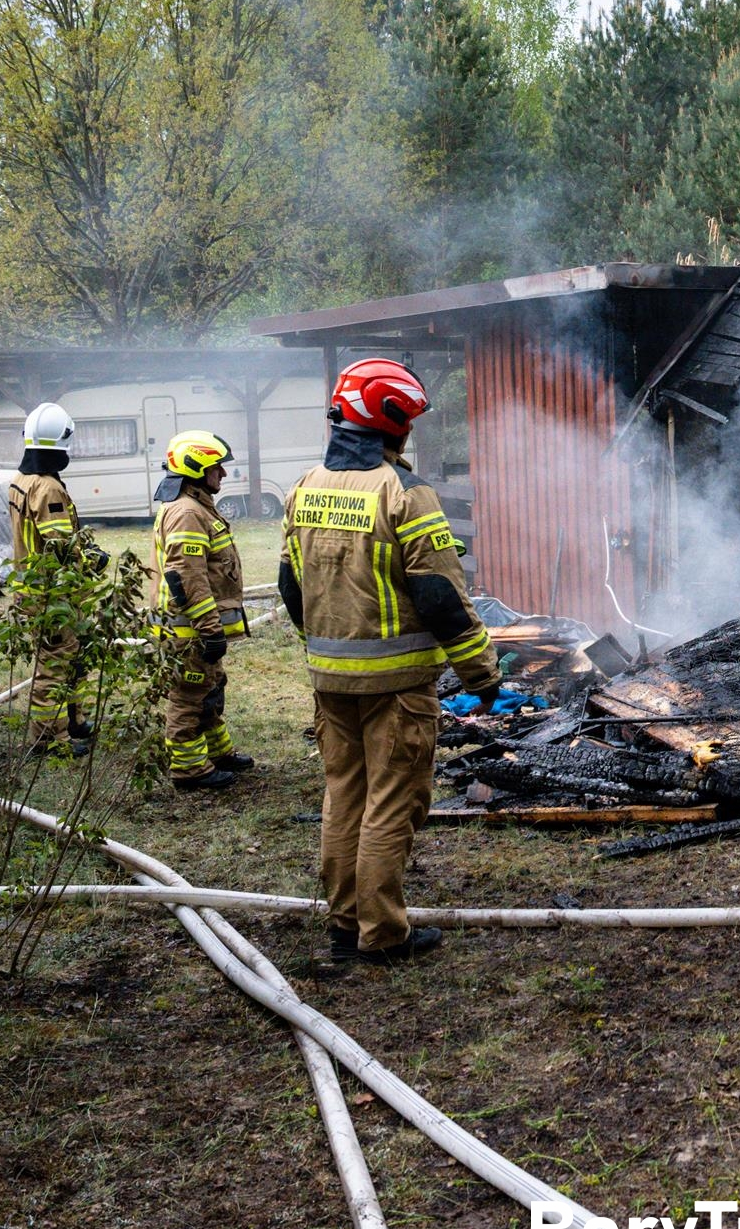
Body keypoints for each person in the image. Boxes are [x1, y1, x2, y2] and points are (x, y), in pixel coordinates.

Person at [278, 358, 500, 966]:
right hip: (397, 687)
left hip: (329, 680)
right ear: (391, 423)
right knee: (392, 803)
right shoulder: (403, 494)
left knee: (343, 796)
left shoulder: (303, 489)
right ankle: (383, 934)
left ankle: (345, 924)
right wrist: (482, 673)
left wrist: (327, 646)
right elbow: (440, 598)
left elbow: (290, 588)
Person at [151, 430, 256, 792]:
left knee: (210, 687)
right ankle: (190, 769)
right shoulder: (186, 513)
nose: (223, 475)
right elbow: (188, 577)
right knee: (189, 694)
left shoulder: (195, 506)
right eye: (217, 468)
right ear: (197, 469)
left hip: (195, 628)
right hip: (190, 630)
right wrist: (210, 628)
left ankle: (216, 753)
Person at [6, 403, 93, 756]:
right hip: (53, 593)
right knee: (55, 664)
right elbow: (60, 546)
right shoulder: (48, 488)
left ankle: (74, 720)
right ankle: (47, 740)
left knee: (72, 656)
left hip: (31, 589)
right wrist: (90, 559)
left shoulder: (20, 480)